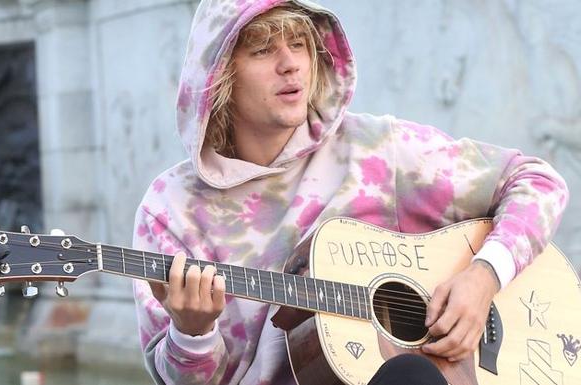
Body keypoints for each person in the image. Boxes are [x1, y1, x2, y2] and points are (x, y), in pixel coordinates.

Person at [132, 1, 569, 384]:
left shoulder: (376, 149)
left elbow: (537, 182)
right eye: (264, 49)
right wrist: (193, 333)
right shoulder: (170, 210)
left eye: (299, 45)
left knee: (410, 375)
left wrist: (483, 277)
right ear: (218, 75)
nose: (291, 64)